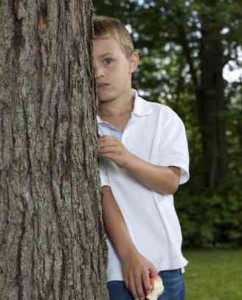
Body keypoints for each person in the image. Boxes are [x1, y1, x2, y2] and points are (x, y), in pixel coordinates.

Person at [93, 15, 190, 300]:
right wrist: (130, 256)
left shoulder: (162, 118)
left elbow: (170, 182)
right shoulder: (83, 127)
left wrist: (127, 158)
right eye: (90, 64)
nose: (98, 72)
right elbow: (103, 194)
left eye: (108, 61)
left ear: (132, 62)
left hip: (166, 262)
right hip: (117, 267)